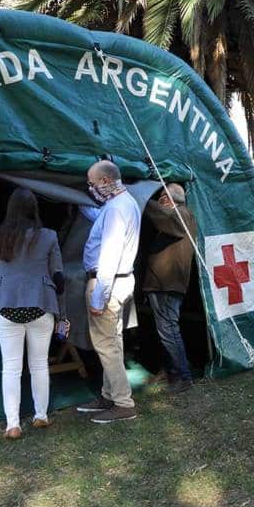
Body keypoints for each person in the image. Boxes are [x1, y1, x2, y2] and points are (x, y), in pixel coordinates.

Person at [0, 188, 65, 439]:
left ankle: (13, 425)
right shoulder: (49, 236)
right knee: (39, 364)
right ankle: (41, 416)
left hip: (6, 305)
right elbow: (59, 279)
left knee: (11, 367)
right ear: (34, 209)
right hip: (40, 304)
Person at [76, 161, 141, 423]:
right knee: (113, 341)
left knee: (106, 345)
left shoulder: (115, 209)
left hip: (108, 282)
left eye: (92, 183)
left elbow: (110, 255)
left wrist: (98, 296)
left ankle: (124, 403)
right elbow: (104, 222)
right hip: (123, 281)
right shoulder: (125, 204)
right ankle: (109, 394)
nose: (91, 188)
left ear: (104, 181)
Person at [142, 183, 198, 393]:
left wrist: (142, 199)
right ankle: (171, 371)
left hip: (167, 284)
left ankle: (183, 377)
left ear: (168, 199)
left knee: (169, 330)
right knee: (165, 330)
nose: (160, 201)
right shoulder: (182, 216)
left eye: (162, 197)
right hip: (164, 284)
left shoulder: (181, 215)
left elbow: (162, 215)